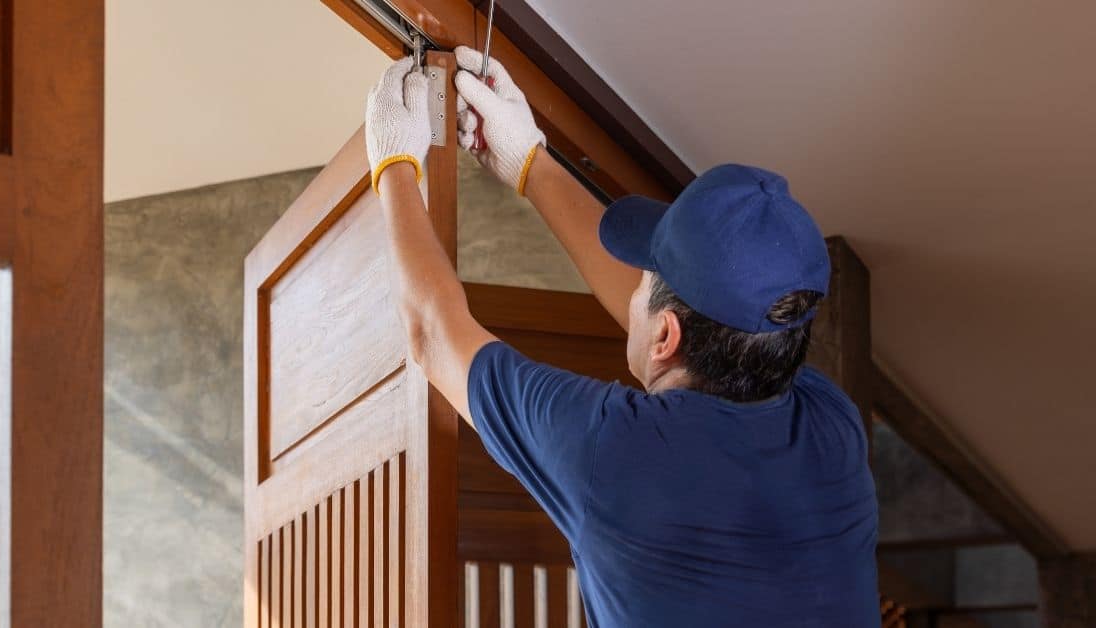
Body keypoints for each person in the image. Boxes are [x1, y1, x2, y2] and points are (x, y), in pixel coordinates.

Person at [363, 47, 879, 627]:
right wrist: (528, 162)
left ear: (666, 336)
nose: (632, 290)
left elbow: (433, 333)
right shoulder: (831, 426)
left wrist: (393, 164)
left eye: (645, 279)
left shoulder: (616, 452)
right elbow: (672, 326)